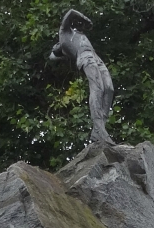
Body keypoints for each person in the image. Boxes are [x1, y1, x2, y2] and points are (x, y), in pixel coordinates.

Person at [49, 9, 114, 145]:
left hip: (96, 57)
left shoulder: (76, 34)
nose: (55, 45)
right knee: (98, 88)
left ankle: (99, 128)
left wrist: (83, 23)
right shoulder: (64, 36)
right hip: (85, 57)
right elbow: (70, 12)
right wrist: (84, 18)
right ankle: (99, 129)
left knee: (109, 88)